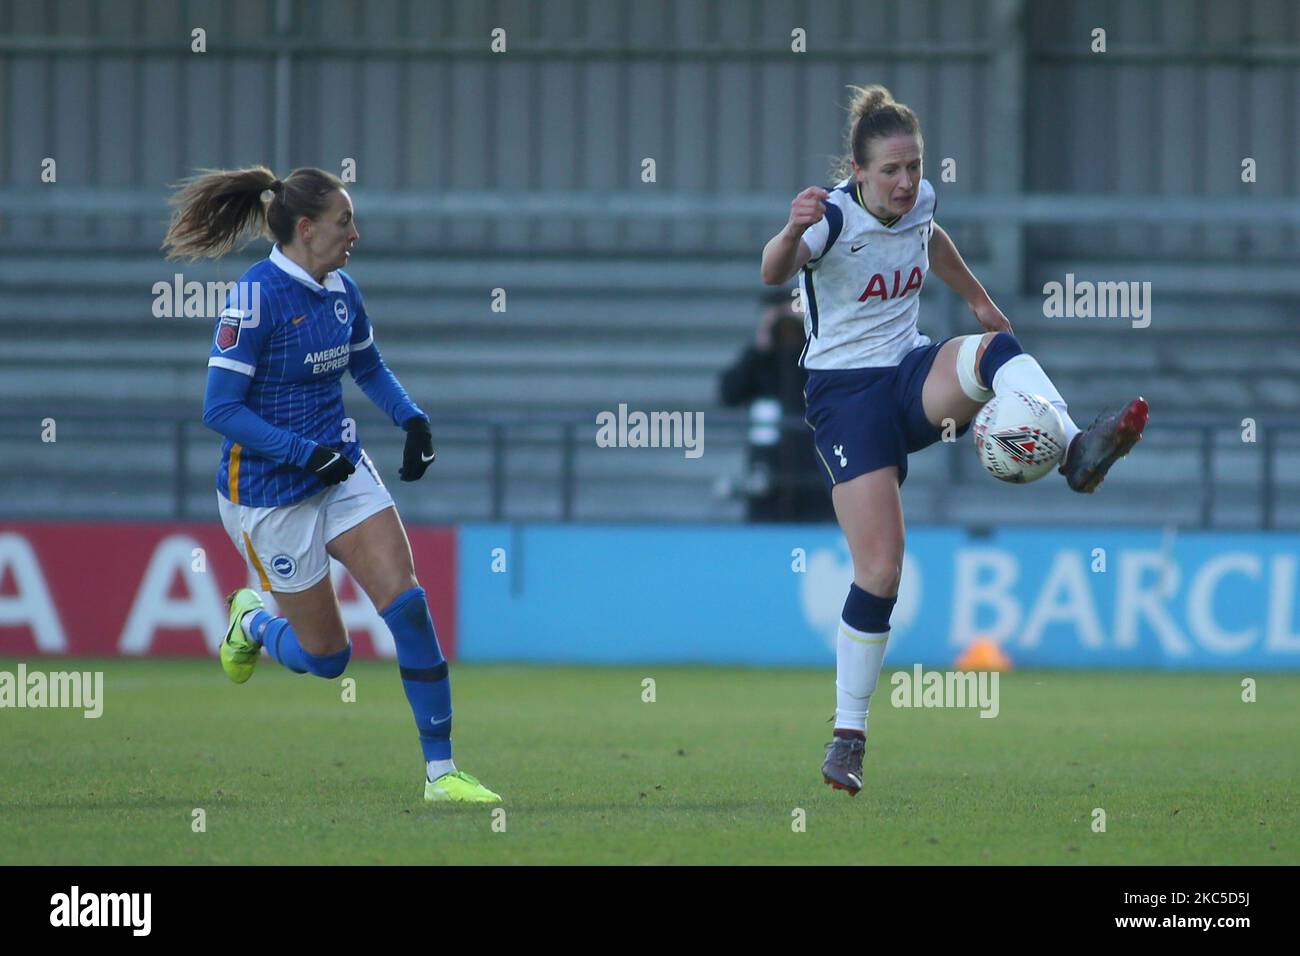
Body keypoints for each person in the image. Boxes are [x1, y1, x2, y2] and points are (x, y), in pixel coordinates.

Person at [759, 86, 1148, 797]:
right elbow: (773, 270)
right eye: (891, 170)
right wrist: (789, 230)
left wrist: (974, 296)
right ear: (858, 168)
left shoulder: (922, 201)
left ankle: (1075, 449)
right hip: (846, 400)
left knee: (994, 348)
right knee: (881, 571)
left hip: (909, 374)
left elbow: (929, 237)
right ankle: (849, 735)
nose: (906, 181)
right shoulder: (831, 217)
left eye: (914, 165)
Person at [163, 165, 500, 804]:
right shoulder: (255, 298)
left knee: (407, 603)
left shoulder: (341, 290)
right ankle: (253, 621)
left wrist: (411, 417)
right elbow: (220, 409)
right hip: (267, 492)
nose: (356, 234)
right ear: (306, 226)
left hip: (340, 470)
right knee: (328, 659)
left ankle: (441, 773)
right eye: (345, 221)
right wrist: (300, 453)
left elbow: (367, 363)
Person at [718, 288, 836, 522]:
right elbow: (728, 394)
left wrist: (808, 334)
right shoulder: (760, 362)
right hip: (768, 479)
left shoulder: (819, 357)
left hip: (816, 477)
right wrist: (762, 345)